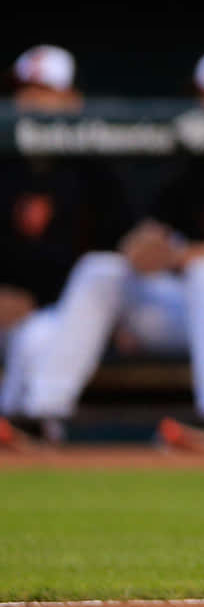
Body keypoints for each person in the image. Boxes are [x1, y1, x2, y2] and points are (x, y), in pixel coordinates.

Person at [6, 48, 204, 451]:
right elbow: (146, 241)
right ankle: (42, 415)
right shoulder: (188, 172)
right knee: (103, 268)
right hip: (197, 317)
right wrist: (144, 249)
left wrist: (182, 255)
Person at [0, 46, 130, 448]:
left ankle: (27, 425)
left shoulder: (95, 169)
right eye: (25, 90)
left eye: (46, 91)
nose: (32, 101)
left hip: (59, 314)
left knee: (36, 337)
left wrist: (34, 301)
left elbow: (117, 253)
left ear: (72, 100)